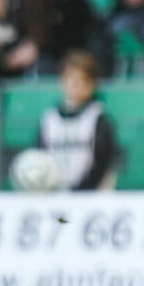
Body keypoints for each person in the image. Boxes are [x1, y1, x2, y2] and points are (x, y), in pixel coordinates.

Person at [40, 51, 119, 191]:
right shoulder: (49, 119)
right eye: (71, 79)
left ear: (92, 84)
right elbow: (40, 157)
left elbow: (103, 162)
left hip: (92, 199)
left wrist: (80, 191)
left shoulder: (99, 118)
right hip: (55, 197)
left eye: (82, 80)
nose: (76, 85)